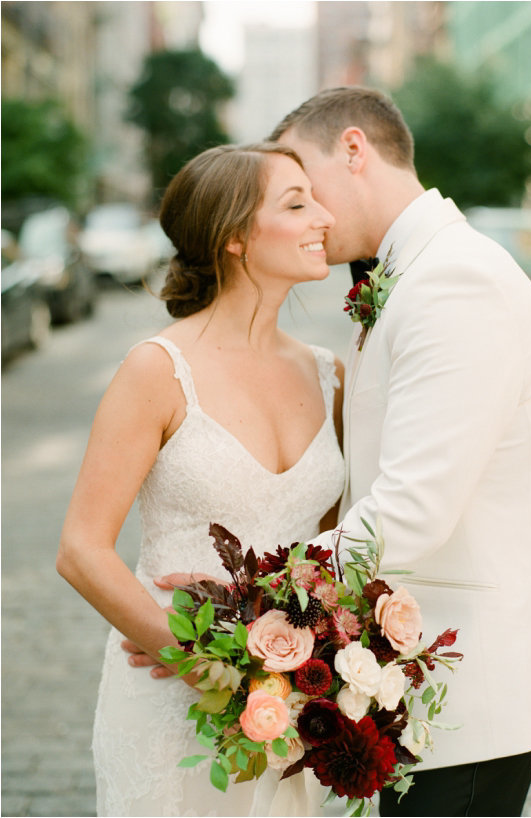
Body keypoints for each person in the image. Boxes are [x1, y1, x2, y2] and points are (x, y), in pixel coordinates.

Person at [133, 86, 531, 815]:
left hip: (476, 679)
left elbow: (409, 510)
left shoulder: (455, 282)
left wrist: (239, 616)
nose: (312, 216)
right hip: (428, 679)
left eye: (304, 185)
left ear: (353, 150)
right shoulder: (412, 273)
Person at [56, 142, 345, 817]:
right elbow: (81, 550)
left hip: (287, 708)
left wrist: (305, 664)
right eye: (297, 203)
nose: (324, 216)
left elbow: (331, 550)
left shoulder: (329, 374)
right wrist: (207, 666)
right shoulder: (157, 370)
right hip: (171, 704)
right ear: (235, 237)